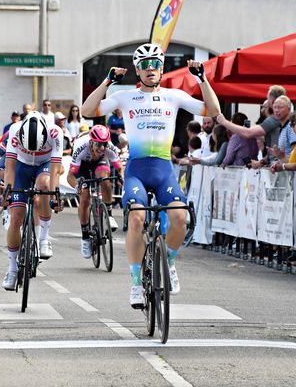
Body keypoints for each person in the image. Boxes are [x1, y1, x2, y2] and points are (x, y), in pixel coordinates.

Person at [81, 43, 221, 308]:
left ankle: (168, 262)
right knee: (136, 220)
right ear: (137, 70)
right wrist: (108, 81)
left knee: (180, 216)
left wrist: (202, 78)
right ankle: (135, 282)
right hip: (136, 170)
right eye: (144, 65)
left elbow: (213, 111)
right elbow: (88, 111)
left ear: (162, 67)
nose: (150, 69)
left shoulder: (174, 95)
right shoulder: (126, 97)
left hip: (163, 170)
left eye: (155, 64)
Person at [1, 111, 63, 291]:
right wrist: (8, 192)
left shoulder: (55, 132)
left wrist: (54, 196)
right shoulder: (14, 129)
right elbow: (10, 167)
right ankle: (12, 270)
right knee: (15, 217)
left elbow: (55, 170)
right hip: (21, 166)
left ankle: (43, 239)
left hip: (45, 165)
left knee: (44, 185)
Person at [67, 124, 122, 257]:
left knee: (105, 180)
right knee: (85, 199)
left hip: (99, 163)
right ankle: (85, 236)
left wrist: (122, 179)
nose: (102, 148)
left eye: (104, 144)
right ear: (91, 142)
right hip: (82, 165)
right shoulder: (80, 147)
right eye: (99, 144)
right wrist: (77, 187)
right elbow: (70, 176)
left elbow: (120, 168)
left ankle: (108, 214)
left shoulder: (108, 148)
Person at [216, 91, 290, 167]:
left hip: (283, 174)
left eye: (280, 107)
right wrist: (261, 162)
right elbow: (274, 155)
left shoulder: (274, 121)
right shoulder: (280, 126)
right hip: (273, 170)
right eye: (275, 107)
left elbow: (247, 133)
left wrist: (224, 121)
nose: (277, 110)